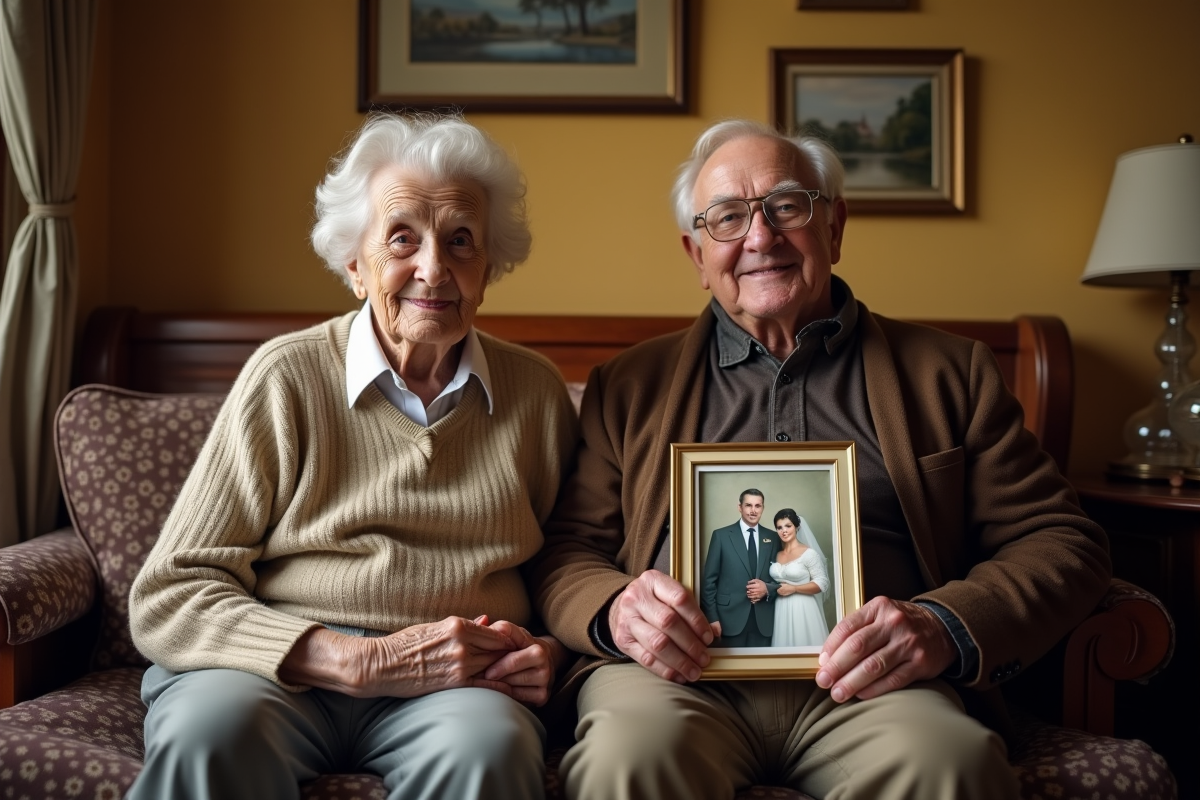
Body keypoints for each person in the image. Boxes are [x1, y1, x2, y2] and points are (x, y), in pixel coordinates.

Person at [527, 119, 1111, 800]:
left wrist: (943, 625)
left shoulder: (953, 373)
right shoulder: (626, 385)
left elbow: (1061, 540)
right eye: (727, 217)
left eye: (787, 206)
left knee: (949, 764)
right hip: (672, 683)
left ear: (834, 227)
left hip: (877, 686)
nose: (760, 237)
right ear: (696, 254)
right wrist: (617, 609)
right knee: (626, 761)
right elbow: (567, 549)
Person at [127, 112, 578, 800]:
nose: (435, 268)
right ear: (354, 266)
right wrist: (359, 659)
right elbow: (170, 593)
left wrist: (551, 650)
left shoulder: (536, 393)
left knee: (489, 752)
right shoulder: (287, 376)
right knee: (210, 738)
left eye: (461, 240)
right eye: (402, 238)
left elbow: (569, 564)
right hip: (277, 670)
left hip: (457, 684)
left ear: (488, 268)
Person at [700, 489, 780, 647]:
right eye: (748, 505)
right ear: (740, 507)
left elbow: (781, 578)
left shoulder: (773, 538)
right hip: (727, 619)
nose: (753, 510)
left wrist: (767, 588)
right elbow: (709, 581)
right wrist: (712, 618)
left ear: (763, 508)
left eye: (758, 506)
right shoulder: (721, 536)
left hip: (764, 620)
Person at [768, 508, 830, 648]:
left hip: (802, 608)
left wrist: (794, 588)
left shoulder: (809, 553)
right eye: (779, 527)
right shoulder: (776, 554)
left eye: (788, 526)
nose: (784, 531)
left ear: (797, 527)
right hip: (780, 608)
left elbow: (822, 583)